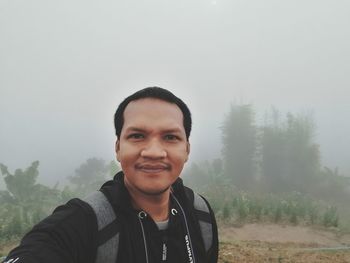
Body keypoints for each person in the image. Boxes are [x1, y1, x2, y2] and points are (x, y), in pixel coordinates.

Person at [3, 87, 218, 263]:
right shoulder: (84, 223)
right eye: (137, 136)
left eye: (170, 137)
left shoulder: (200, 216)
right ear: (118, 148)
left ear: (187, 150)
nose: (153, 152)